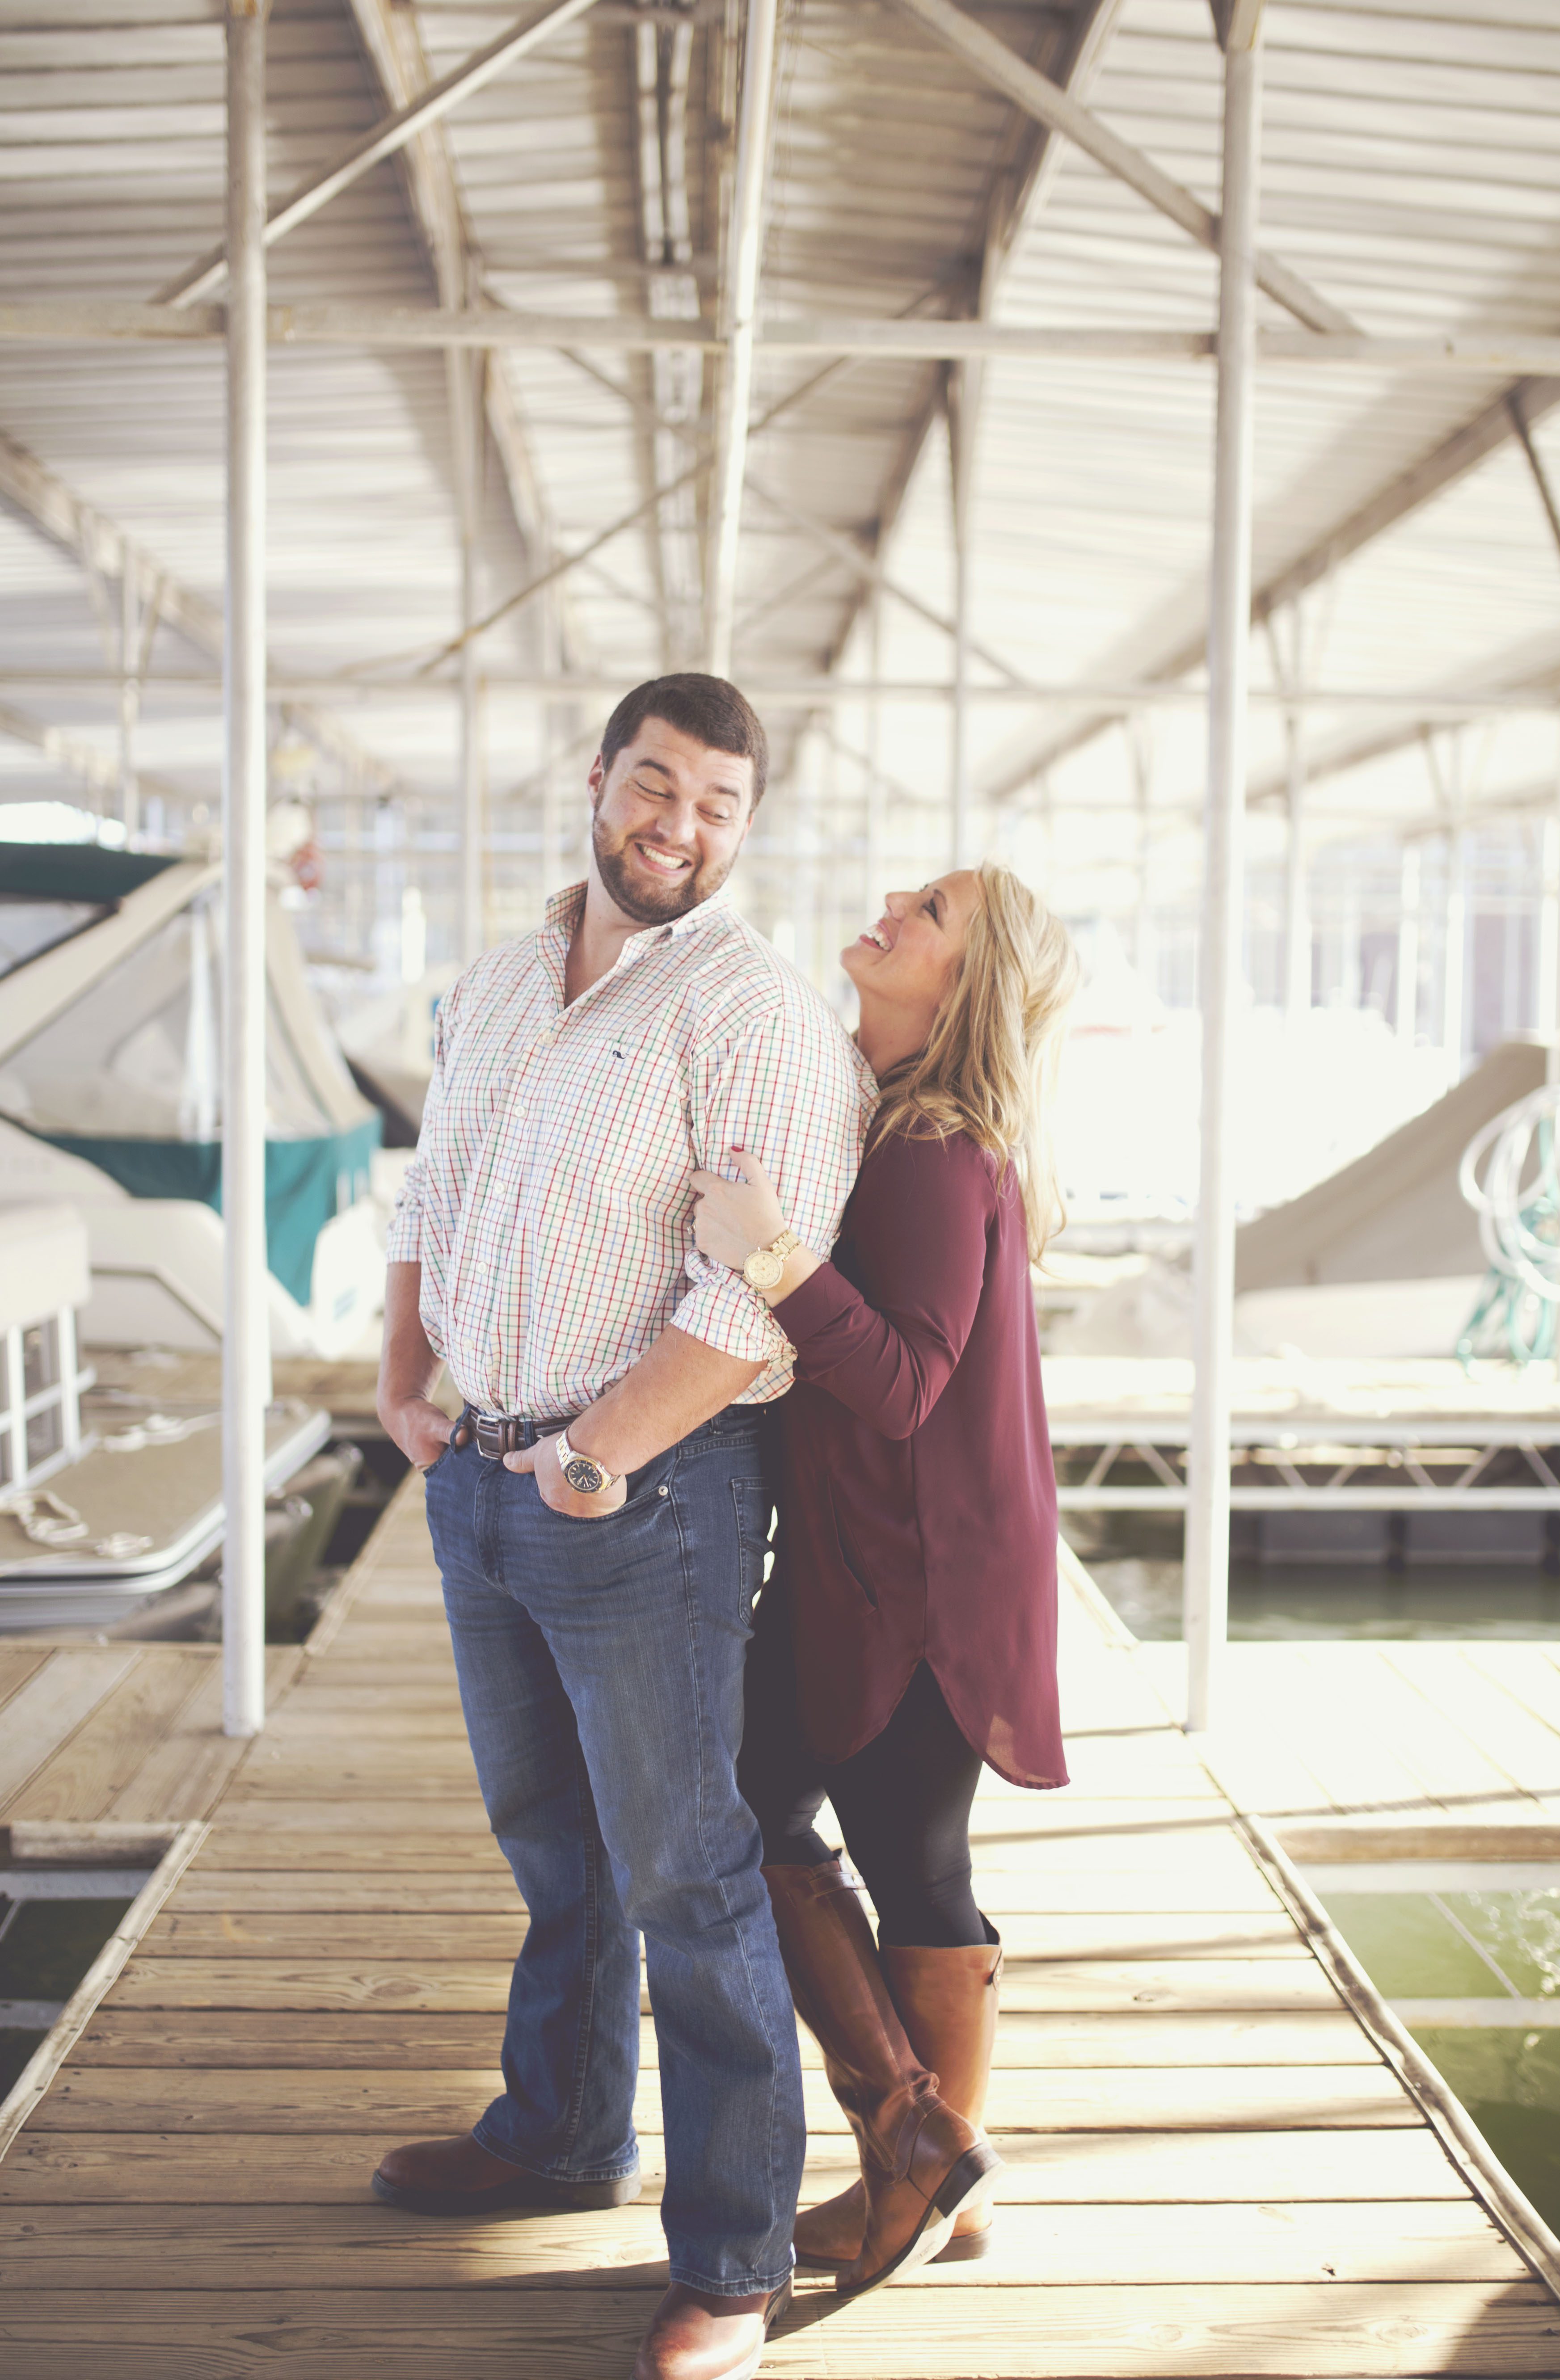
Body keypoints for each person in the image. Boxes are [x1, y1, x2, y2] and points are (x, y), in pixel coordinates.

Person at [373, 675, 873, 2380]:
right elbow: (433, 1186)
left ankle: (733, 2259)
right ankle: (560, 2131)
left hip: (647, 1492)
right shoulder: (502, 977)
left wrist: (595, 1458)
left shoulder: (754, 1010)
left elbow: (758, 1290)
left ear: (747, 827)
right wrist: (403, 1377)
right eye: (656, 786)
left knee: (685, 1869)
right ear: (599, 781)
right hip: (482, 1472)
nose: (679, 827)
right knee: (548, 1839)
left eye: (718, 804)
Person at [691, 861, 1079, 2296]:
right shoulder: (896, 1123)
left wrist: (768, 1254)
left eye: (931, 913)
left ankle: (921, 2153)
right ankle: (932, 2162)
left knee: (866, 1849)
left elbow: (908, 1382)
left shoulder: (928, 1149)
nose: (892, 909)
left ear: (965, 982)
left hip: (916, 1580)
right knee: (791, 1821)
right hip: (884, 1559)